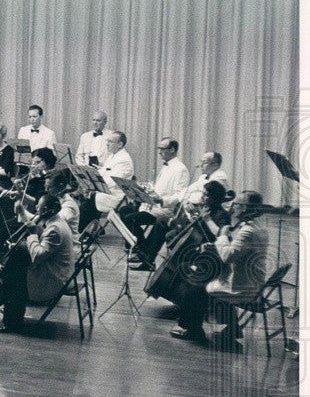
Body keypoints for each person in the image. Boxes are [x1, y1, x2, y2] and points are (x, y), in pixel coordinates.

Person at [170, 190, 269, 351]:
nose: (233, 206)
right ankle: (231, 330)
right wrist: (216, 244)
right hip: (251, 280)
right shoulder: (256, 226)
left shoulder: (247, 230)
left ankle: (194, 330)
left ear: (243, 208)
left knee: (196, 287)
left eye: (236, 204)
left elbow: (228, 256)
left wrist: (222, 236)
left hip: (242, 286)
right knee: (202, 280)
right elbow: (237, 248)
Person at [0, 193, 74, 333]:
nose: (36, 209)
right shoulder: (55, 222)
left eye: (38, 207)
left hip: (51, 280)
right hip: (53, 271)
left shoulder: (55, 229)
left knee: (13, 275)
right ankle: (10, 310)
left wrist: (32, 234)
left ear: (45, 211)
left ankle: (11, 320)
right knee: (15, 260)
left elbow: (38, 256)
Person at [122, 138, 191, 269]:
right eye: (159, 149)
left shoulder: (180, 169)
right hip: (152, 206)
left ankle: (145, 253)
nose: (159, 152)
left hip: (165, 210)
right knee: (124, 210)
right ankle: (144, 251)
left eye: (162, 149)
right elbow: (160, 188)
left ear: (172, 150)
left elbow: (179, 195)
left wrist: (161, 200)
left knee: (130, 219)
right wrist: (145, 190)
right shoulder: (166, 165)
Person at [77, 131, 135, 231]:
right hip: (107, 191)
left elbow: (113, 181)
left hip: (116, 195)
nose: (107, 144)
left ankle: (81, 232)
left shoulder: (124, 159)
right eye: (107, 141)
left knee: (87, 203)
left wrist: (92, 187)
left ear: (120, 144)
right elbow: (105, 172)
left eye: (110, 141)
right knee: (86, 198)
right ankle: (92, 228)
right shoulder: (114, 155)